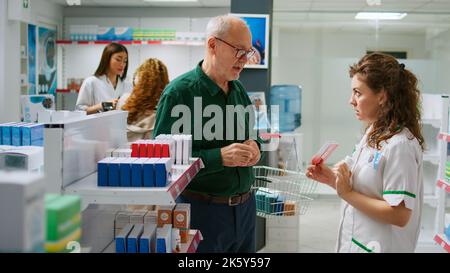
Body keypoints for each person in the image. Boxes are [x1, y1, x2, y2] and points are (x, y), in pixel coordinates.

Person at [152, 15, 263, 253]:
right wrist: (218, 157)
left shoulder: (238, 89)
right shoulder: (179, 93)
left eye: (249, 51)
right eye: (239, 51)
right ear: (213, 45)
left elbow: (255, 133)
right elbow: (161, 158)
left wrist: (256, 146)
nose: (245, 59)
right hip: (202, 212)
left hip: (245, 210)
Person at [306, 52, 424, 253]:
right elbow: (367, 187)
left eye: (358, 93)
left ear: (382, 96)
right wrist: (332, 179)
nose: (350, 101)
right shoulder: (373, 132)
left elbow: (400, 214)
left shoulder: (400, 145)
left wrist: (347, 193)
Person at [116, 58, 169, 142]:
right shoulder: (165, 105)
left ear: (138, 79)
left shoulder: (124, 100)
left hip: (123, 151)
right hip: (153, 152)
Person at [76, 42, 132, 114]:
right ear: (107, 59)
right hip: (97, 125)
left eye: (125, 61)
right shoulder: (91, 82)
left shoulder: (127, 85)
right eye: (118, 59)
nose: (122, 64)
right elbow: (79, 111)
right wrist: (102, 106)